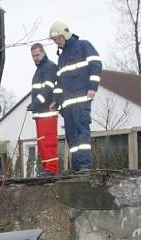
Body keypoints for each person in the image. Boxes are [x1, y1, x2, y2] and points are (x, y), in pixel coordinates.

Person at [49, 21, 102, 173]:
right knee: (71, 136)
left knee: (81, 132)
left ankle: (85, 165)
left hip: (81, 101)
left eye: (57, 38)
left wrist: (92, 88)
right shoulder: (62, 56)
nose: (56, 42)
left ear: (65, 34)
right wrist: (56, 101)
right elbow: (59, 82)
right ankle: (77, 166)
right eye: (54, 40)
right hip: (67, 105)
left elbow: (96, 65)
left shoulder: (83, 46)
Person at [27, 43, 59, 176]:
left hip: (47, 111)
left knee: (48, 141)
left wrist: (35, 103)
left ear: (43, 53)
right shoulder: (40, 70)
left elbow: (47, 89)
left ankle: (52, 168)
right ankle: (47, 167)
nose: (35, 58)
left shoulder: (49, 67)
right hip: (39, 113)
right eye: (33, 56)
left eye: (37, 55)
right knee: (41, 142)